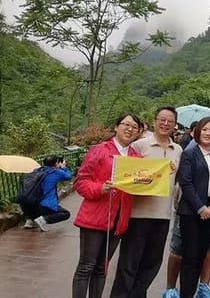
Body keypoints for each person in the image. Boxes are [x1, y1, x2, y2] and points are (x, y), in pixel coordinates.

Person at [111, 107, 182, 298]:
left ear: (175, 125)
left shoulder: (178, 150)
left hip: (163, 215)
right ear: (154, 121)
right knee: (129, 263)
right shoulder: (139, 146)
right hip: (138, 214)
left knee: (152, 263)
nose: (165, 124)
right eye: (162, 119)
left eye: (170, 121)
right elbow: (129, 175)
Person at [71, 113, 143, 298]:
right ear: (116, 127)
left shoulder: (136, 157)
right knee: (86, 266)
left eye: (134, 127)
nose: (129, 129)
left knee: (102, 268)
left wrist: (165, 172)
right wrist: (99, 188)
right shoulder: (99, 150)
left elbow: (144, 183)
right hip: (95, 218)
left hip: (118, 220)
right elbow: (81, 182)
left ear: (138, 132)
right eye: (126, 124)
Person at [176, 117, 210, 298]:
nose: (208, 133)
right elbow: (186, 183)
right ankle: (186, 294)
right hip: (191, 213)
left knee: (200, 257)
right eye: (205, 129)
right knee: (189, 257)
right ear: (198, 131)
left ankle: (195, 292)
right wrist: (201, 208)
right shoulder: (189, 154)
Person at [21, 155, 72, 231]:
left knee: (35, 205)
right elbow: (68, 176)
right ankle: (43, 220)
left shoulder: (36, 170)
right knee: (65, 214)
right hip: (44, 207)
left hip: (26, 206)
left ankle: (30, 220)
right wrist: (63, 167)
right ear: (56, 163)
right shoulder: (56, 172)